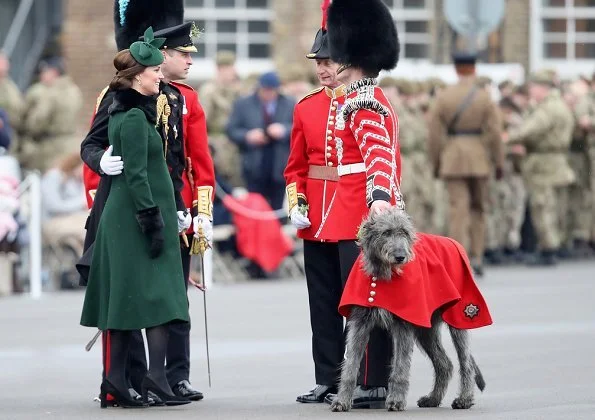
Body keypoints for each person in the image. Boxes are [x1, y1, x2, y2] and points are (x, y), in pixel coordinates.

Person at [79, 0, 212, 404]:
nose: (188, 60)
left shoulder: (183, 98)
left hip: (174, 204)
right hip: (135, 206)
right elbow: (94, 146)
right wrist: (101, 164)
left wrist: (199, 210)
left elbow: (195, 160)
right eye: (181, 53)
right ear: (160, 56)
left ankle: (175, 376)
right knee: (133, 296)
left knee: (172, 296)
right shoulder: (118, 98)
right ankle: (130, 379)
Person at [319, 0, 403, 408]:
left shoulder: (362, 100)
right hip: (348, 205)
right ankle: (372, 379)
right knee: (363, 299)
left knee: (366, 300)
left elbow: (378, 156)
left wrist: (379, 200)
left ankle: (372, 380)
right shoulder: (359, 95)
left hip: (360, 209)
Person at [284, 11, 347, 403]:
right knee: (321, 303)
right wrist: (297, 203)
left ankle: (364, 376)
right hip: (317, 215)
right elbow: (295, 167)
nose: (323, 69)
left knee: (357, 302)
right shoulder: (305, 107)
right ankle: (328, 376)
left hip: (351, 213)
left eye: (329, 61)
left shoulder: (364, 102)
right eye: (319, 63)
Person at [428, 52, 504, 276]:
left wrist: (436, 163)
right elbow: (495, 133)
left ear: (455, 69)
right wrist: (499, 162)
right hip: (479, 157)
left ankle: (458, 259)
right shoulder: (484, 97)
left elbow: (434, 135)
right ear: (474, 68)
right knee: (479, 208)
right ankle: (478, 255)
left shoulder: (444, 97)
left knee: (457, 210)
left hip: (452, 157)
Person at [503, 71, 575, 266]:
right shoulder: (560, 105)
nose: (531, 91)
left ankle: (548, 248)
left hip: (543, 163)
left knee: (542, 207)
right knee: (552, 207)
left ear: (542, 87)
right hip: (555, 161)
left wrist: (508, 137)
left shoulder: (547, 109)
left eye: (533, 87)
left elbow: (530, 129)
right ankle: (552, 245)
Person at [226, 71, 296, 212]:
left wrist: (284, 130)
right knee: (256, 207)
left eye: (272, 91)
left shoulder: (289, 103)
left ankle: (276, 233)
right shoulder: (243, 104)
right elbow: (231, 129)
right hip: (254, 164)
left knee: (277, 209)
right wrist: (248, 136)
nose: (268, 94)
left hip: (280, 163)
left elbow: (298, 127)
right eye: (265, 90)